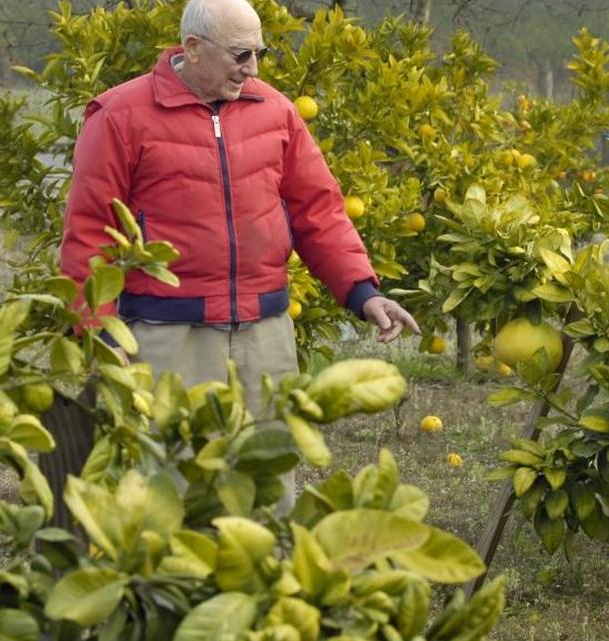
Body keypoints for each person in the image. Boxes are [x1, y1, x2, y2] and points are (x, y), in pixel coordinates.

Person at [59, 0, 420, 508]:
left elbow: (318, 210)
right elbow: (89, 231)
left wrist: (362, 292)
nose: (253, 67)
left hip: (264, 333)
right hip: (167, 336)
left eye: (259, 53)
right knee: (171, 488)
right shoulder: (120, 115)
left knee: (268, 483)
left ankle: (268, 584)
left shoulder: (274, 111)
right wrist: (99, 333)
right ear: (192, 49)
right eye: (240, 54)